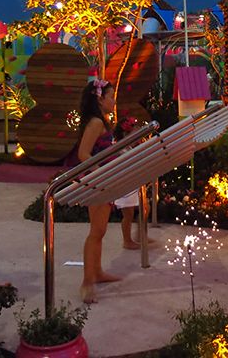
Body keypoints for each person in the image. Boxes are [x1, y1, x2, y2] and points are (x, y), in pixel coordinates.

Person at [78, 79, 120, 304]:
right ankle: (87, 281)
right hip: (97, 182)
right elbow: (83, 154)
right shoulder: (95, 122)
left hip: (103, 180)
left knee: (100, 230)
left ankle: (97, 272)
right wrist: (100, 172)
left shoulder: (101, 121)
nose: (114, 100)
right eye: (111, 96)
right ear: (99, 99)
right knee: (96, 231)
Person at [112, 116, 155, 250]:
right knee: (128, 214)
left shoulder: (129, 147)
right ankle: (127, 240)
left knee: (145, 207)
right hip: (124, 185)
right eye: (134, 134)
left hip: (133, 183)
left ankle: (140, 234)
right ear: (126, 134)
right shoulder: (119, 148)